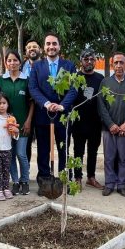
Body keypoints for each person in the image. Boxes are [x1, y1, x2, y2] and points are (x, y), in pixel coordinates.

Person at [28, 34, 77, 184]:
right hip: (44, 115)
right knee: (43, 150)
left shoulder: (69, 66)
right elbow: (33, 88)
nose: (51, 46)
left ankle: (64, 180)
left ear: (59, 46)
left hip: (63, 115)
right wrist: (46, 103)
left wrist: (62, 105)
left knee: (64, 150)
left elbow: (74, 89)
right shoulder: (36, 66)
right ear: (44, 47)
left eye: (54, 43)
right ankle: (44, 179)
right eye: (48, 44)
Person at [97, 52, 125, 197]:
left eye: (121, 62)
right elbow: (101, 106)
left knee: (123, 158)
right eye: (116, 63)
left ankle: (121, 185)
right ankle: (109, 184)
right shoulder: (105, 83)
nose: (119, 65)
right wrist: (110, 124)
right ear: (112, 65)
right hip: (109, 129)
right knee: (109, 158)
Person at [0, 50, 34, 195]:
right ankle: (16, 181)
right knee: (10, 154)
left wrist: (28, 121)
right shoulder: (2, 80)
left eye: (15, 60)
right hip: (5, 126)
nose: (12, 63)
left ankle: (25, 180)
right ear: (6, 63)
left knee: (21, 154)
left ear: (20, 62)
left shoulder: (27, 80)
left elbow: (32, 103)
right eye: (9, 61)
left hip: (23, 124)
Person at [72, 49, 105, 189]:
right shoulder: (75, 78)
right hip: (78, 122)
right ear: (81, 61)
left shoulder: (100, 79)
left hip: (95, 122)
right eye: (86, 59)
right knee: (78, 151)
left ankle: (91, 177)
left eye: (92, 59)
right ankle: (78, 177)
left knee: (93, 151)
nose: (89, 61)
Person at [0, 93, 19, 201]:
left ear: (8, 104)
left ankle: (6, 188)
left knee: (6, 170)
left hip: (7, 148)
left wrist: (16, 131)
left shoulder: (11, 118)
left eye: (4, 103)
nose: (2, 105)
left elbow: (15, 135)